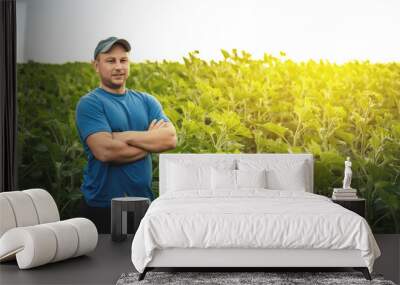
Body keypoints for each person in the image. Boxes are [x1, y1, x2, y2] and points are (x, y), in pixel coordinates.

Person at [75, 37, 177, 233]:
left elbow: (170, 139)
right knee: (104, 262)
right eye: (111, 61)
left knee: (140, 262)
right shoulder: (90, 103)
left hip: (143, 205)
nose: (119, 67)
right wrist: (149, 142)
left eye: (123, 60)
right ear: (96, 65)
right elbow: (106, 151)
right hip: (103, 207)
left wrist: (123, 136)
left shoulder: (147, 101)